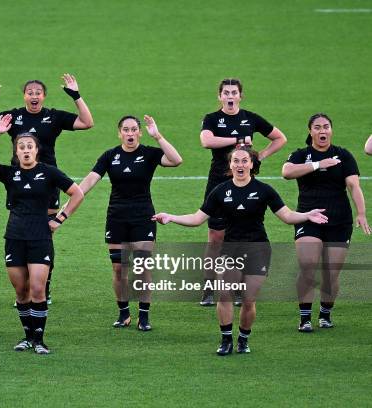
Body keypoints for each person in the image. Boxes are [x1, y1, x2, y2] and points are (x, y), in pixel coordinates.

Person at [153, 146, 327, 355]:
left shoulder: (264, 190)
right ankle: (226, 340)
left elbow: (287, 216)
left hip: (258, 249)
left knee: (248, 300)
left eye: (244, 161)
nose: (240, 165)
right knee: (224, 295)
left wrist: (307, 215)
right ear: (230, 165)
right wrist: (171, 217)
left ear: (252, 164)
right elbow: (197, 218)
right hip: (230, 249)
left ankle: (243, 338)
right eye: (236, 161)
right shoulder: (220, 191)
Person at [0, 73, 93, 304]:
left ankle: (42, 288)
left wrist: (76, 96)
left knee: (46, 234)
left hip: (48, 181)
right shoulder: (14, 116)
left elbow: (87, 122)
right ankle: (25, 286)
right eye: (30, 92)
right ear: (24, 96)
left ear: (44, 96)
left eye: (38, 92)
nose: (34, 96)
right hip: (18, 179)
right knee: (22, 226)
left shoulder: (53, 117)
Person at [0, 114, 84, 355]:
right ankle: (26, 336)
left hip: (40, 237)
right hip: (14, 236)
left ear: (37, 150)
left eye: (30, 147)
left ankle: (39, 339)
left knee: (37, 289)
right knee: (21, 291)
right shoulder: (10, 173)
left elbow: (77, 194)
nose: (26, 151)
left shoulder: (49, 172)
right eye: (21, 147)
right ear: (16, 152)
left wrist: (59, 219)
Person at [78, 115, 182, 331]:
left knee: (143, 268)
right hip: (116, 218)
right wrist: (73, 197)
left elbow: (176, 160)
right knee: (119, 269)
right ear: (120, 133)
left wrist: (158, 136)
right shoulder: (110, 156)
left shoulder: (149, 153)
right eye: (126, 130)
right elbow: (90, 180)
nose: (130, 133)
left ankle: (144, 316)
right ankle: (123, 312)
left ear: (140, 132)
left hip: (143, 217)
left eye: (134, 129)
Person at [198, 78, 287, 307]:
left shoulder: (250, 118)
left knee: (239, 236)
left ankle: (237, 287)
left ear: (240, 96)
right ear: (219, 96)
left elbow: (280, 138)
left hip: (245, 184)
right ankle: (208, 287)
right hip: (218, 182)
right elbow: (206, 141)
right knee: (216, 238)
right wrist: (238, 140)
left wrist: (260, 156)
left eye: (234, 92)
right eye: (225, 92)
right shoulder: (212, 119)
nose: (230, 96)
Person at [282, 113, 370, 332]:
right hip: (309, 216)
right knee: (308, 265)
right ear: (310, 131)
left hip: (339, 219)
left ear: (331, 130)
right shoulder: (301, 154)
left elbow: (353, 185)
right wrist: (318, 164)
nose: (323, 131)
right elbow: (287, 172)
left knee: (331, 272)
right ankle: (304, 318)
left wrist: (361, 213)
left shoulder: (343, 155)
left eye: (326, 127)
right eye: (318, 127)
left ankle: (325, 313)